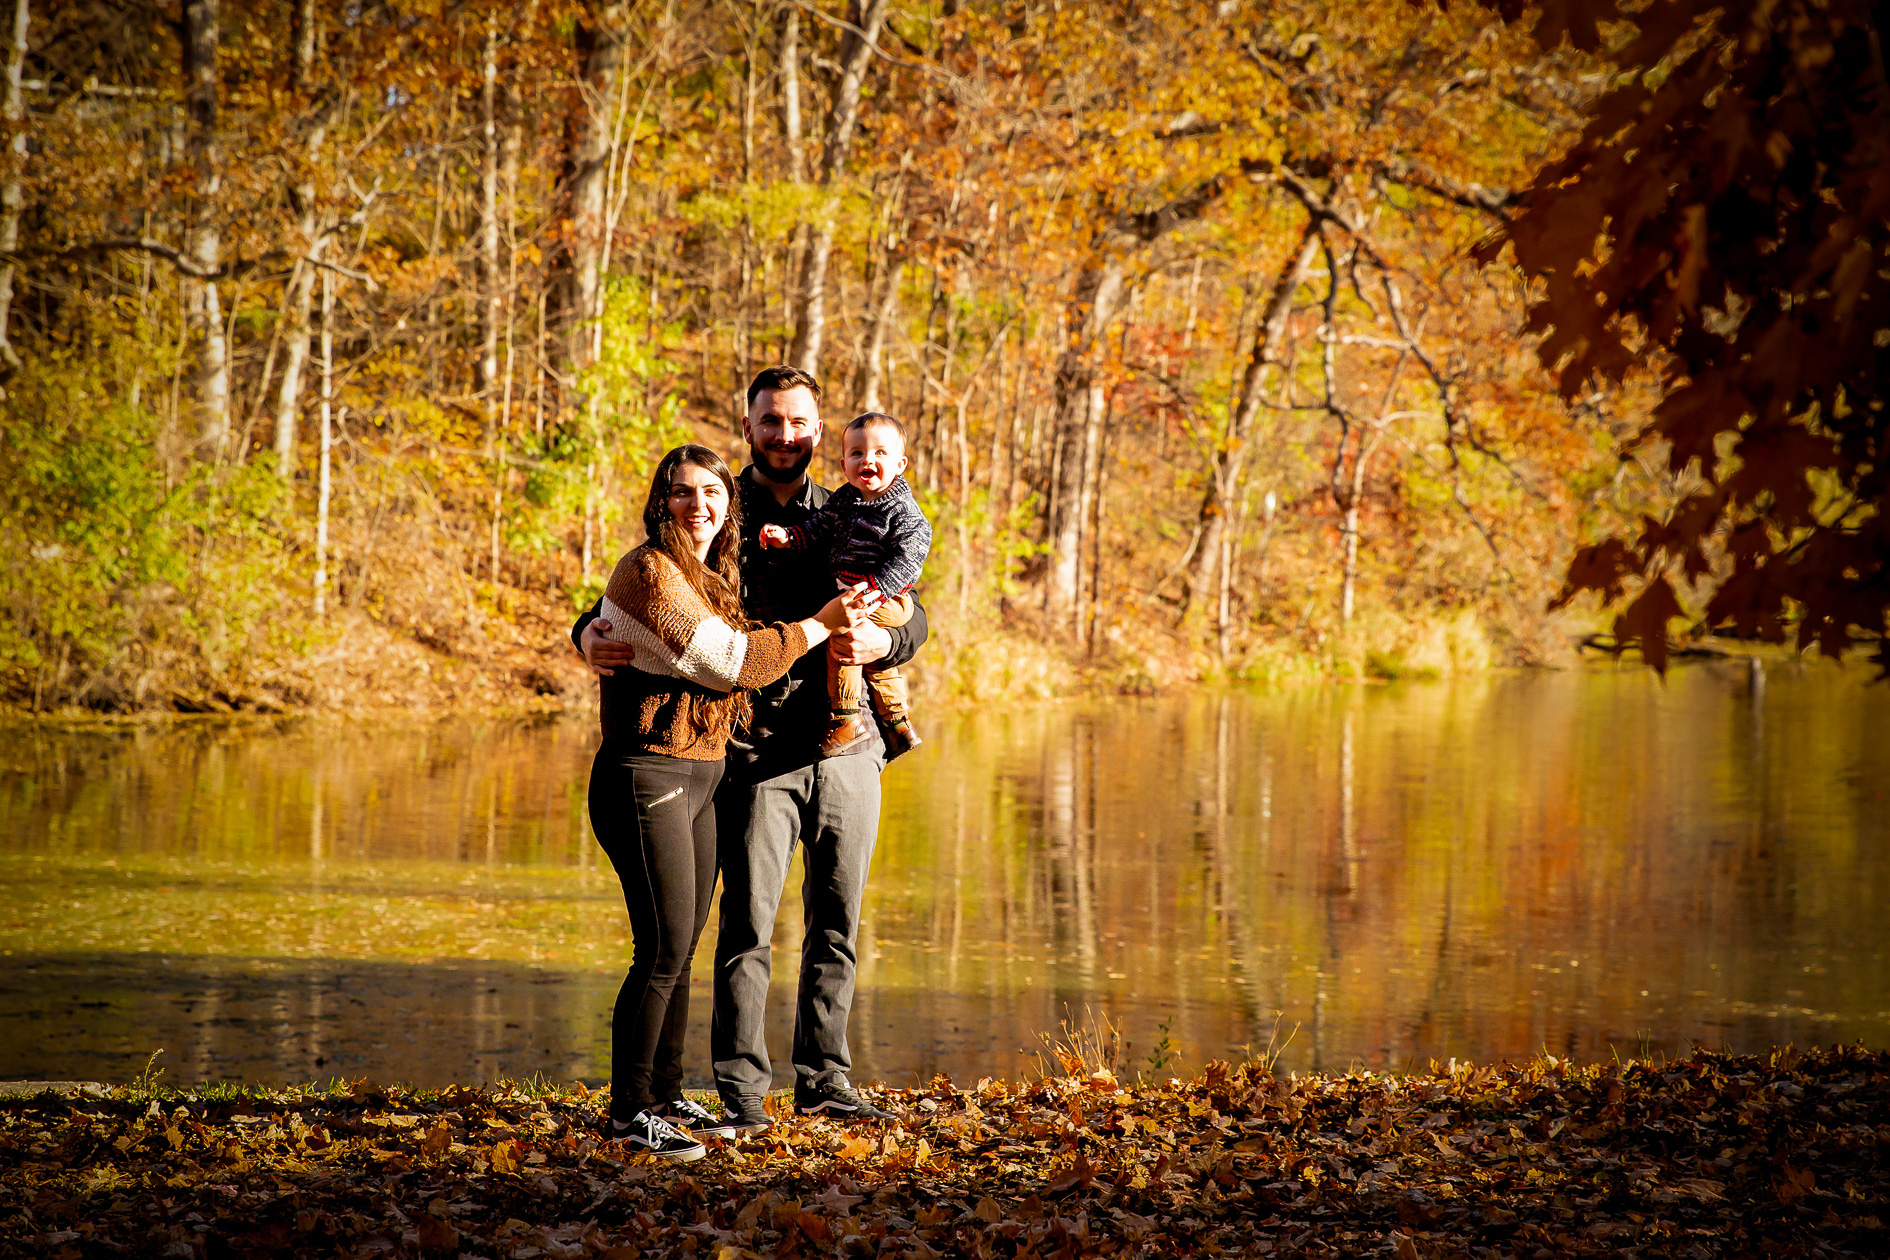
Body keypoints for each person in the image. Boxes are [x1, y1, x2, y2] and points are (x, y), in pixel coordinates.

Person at [576, 366, 926, 1135]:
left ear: (817, 430)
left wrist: (890, 635)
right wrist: (585, 634)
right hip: (749, 748)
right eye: (771, 421)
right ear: (750, 426)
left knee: (839, 922)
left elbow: (915, 606)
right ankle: (741, 1094)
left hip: (847, 742)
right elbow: (646, 592)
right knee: (745, 928)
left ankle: (825, 1078)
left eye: (799, 422)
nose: (785, 435)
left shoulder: (851, 504)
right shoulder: (714, 506)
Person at [758, 411, 932, 757]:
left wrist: (873, 592)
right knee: (871, 654)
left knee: (843, 638)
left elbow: (909, 559)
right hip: (858, 595)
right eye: (857, 453)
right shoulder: (842, 500)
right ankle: (897, 720)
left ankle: (846, 717)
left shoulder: (903, 512)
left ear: (901, 464)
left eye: (880, 453)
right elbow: (815, 529)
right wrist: (787, 538)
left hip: (886, 596)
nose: (868, 459)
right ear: (844, 463)